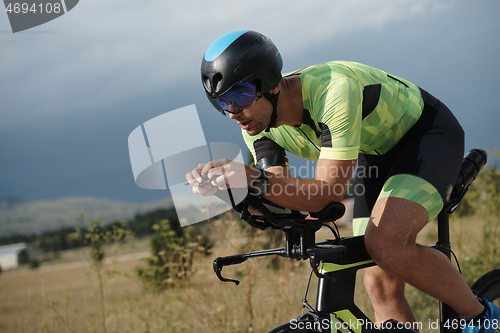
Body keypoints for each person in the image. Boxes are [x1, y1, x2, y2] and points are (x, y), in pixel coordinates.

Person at [186, 30, 500, 332]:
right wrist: (234, 191)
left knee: (386, 245)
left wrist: (253, 177)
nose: (233, 112)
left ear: (271, 83)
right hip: (374, 153)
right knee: (378, 281)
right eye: (222, 102)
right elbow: (278, 195)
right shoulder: (256, 123)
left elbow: (326, 195)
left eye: (240, 95)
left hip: (426, 136)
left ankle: (482, 318)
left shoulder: (333, 90)